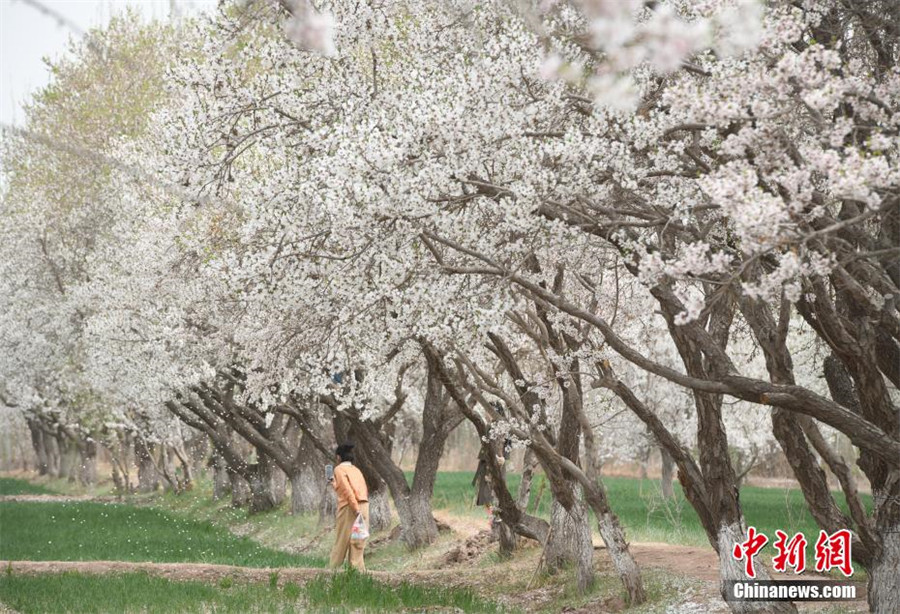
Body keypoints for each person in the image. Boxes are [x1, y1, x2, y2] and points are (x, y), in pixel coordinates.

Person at [328, 442, 370, 571]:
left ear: (338, 457)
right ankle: (357, 570)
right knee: (358, 539)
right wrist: (334, 484)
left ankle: (334, 569)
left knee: (342, 538)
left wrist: (355, 508)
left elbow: (347, 491)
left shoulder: (339, 469)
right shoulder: (356, 470)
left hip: (349, 507)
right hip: (364, 505)